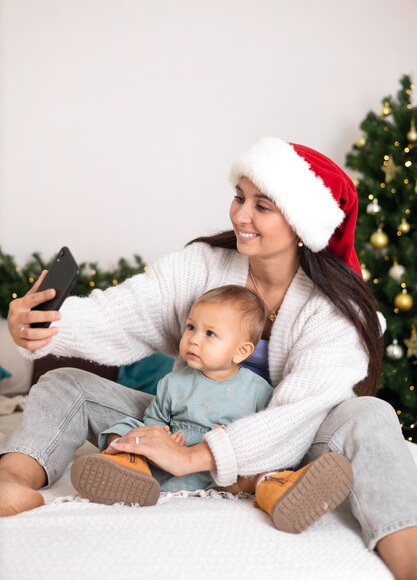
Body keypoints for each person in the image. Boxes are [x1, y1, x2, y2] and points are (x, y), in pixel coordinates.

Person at [2, 136, 417, 580]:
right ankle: (12, 480)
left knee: (369, 414)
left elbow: (298, 415)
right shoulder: (203, 266)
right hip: (185, 422)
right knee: (66, 382)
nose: (241, 215)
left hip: (292, 442)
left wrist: (196, 457)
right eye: (239, 197)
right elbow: (125, 313)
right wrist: (44, 324)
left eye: (263, 206)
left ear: (300, 222)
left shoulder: (336, 311)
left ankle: (407, 556)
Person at [70, 285, 274, 503]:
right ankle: (128, 468)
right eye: (191, 327)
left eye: (210, 333)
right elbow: (154, 419)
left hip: (217, 468)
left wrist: (227, 438)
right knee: (124, 428)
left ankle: (275, 490)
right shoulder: (174, 381)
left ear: (241, 351)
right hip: (169, 455)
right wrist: (163, 435)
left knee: (262, 468)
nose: (194, 339)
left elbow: (261, 435)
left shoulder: (258, 390)